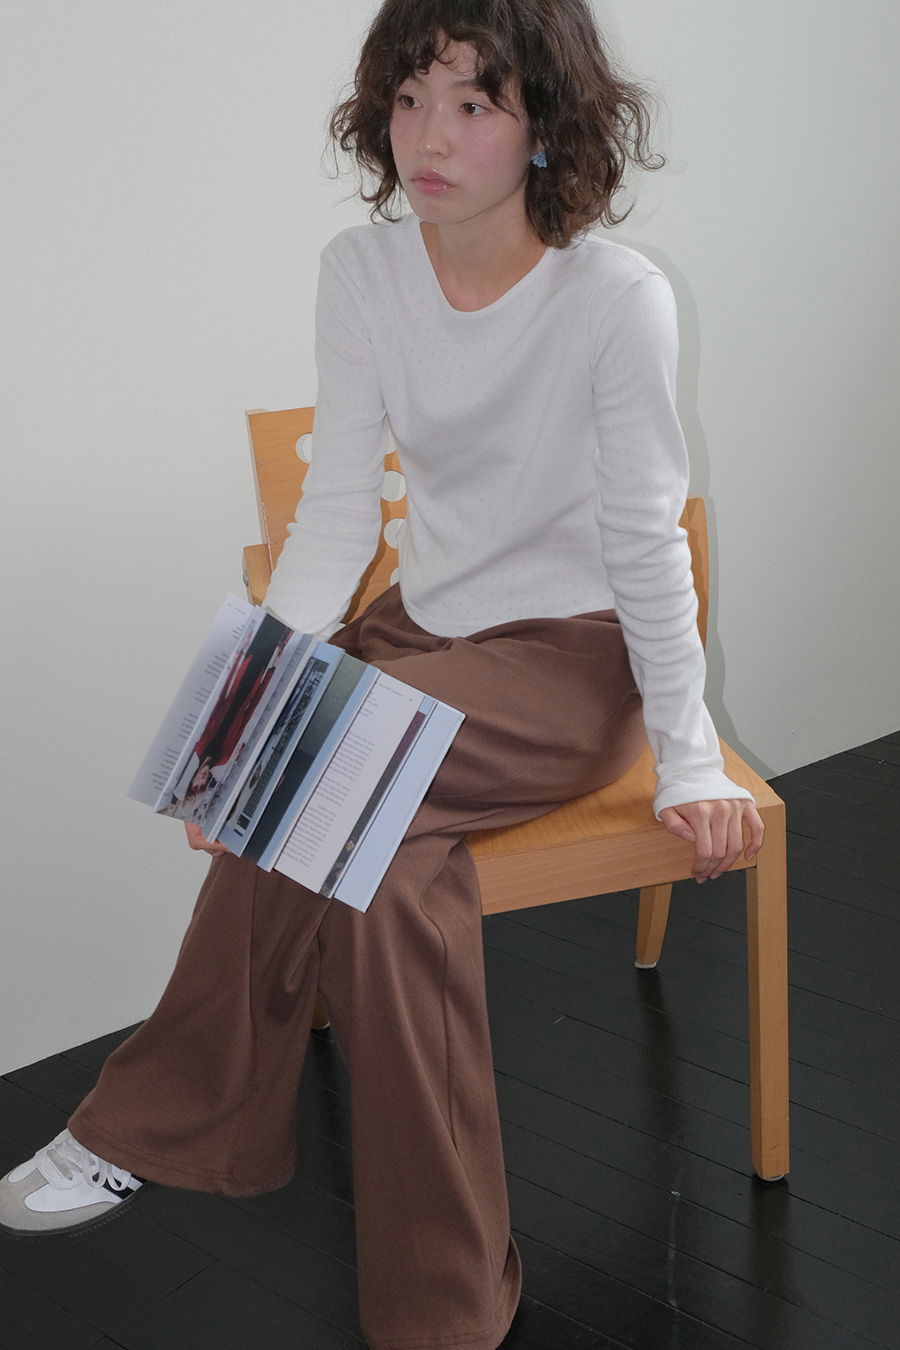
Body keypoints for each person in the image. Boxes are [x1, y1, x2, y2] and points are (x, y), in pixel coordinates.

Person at [0, 2, 765, 1347]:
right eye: (409, 100)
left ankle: (147, 1123)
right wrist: (241, 722)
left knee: (309, 779)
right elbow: (337, 517)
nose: (429, 137)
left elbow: (648, 545)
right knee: (382, 877)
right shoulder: (361, 271)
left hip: (572, 664)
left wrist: (689, 757)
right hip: (424, 637)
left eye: (474, 103)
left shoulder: (614, 299)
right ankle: (442, 1307)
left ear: (545, 126)